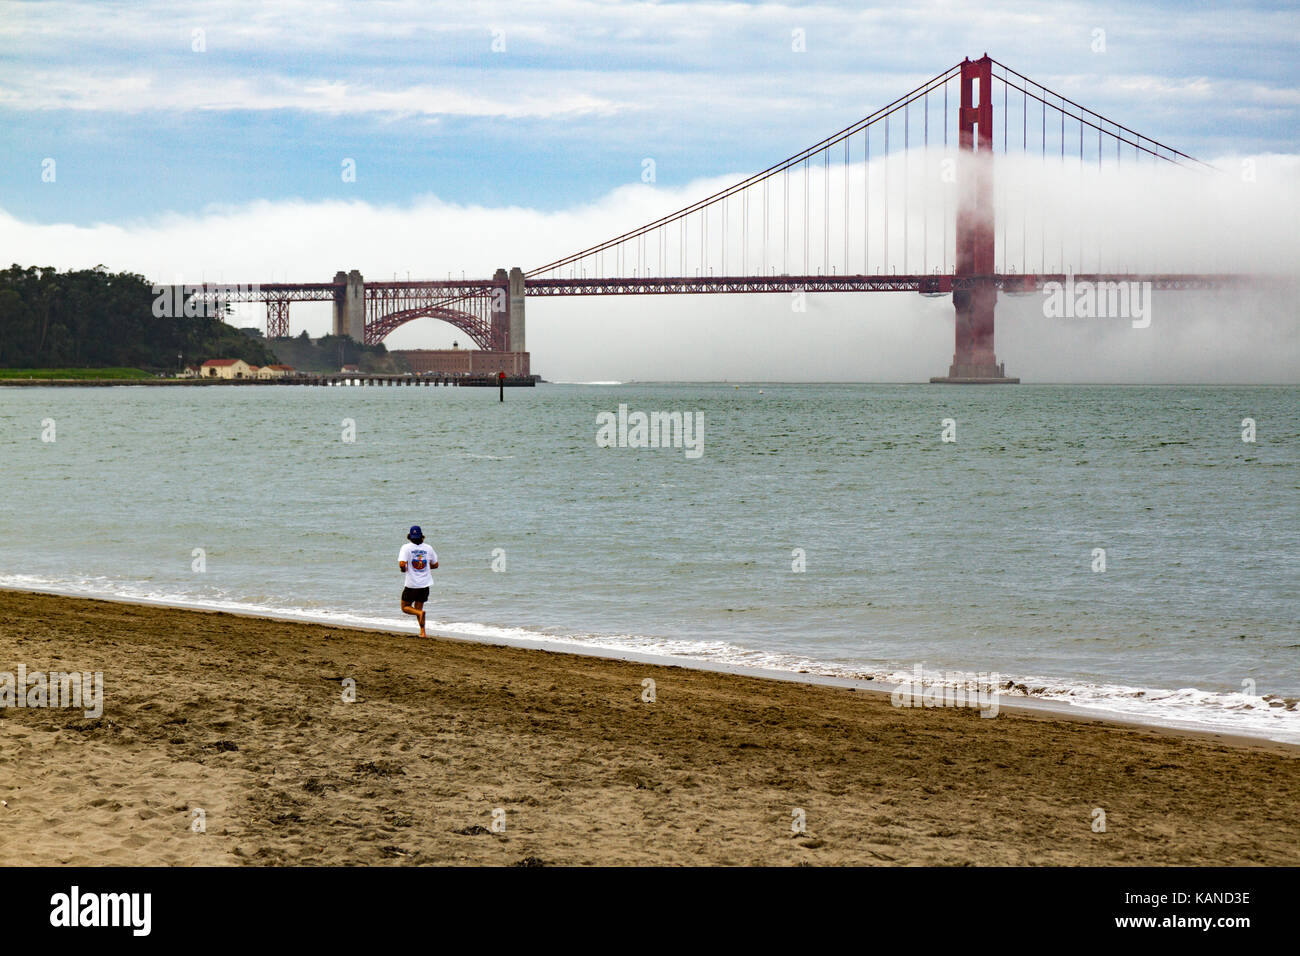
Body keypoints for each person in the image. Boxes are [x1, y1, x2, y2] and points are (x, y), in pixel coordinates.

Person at [398, 525, 438, 637]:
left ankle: (419, 613)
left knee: (405, 607)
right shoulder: (428, 548)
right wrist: (426, 567)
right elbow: (435, 564)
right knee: (419, 607)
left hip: (411, 584)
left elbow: (402, 564)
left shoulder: (406, 548)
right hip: (425, 584)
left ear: (410, 537)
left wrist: (403, 569)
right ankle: (423, 632)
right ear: (422, 536)